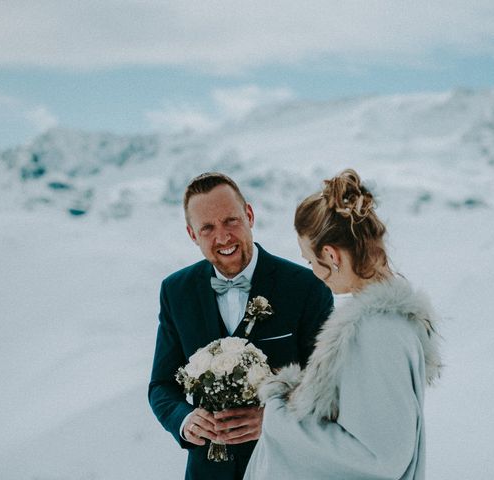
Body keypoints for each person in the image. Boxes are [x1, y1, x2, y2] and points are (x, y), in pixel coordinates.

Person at [244, 169, 443, 480]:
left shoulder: (375, 330)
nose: (312, 271)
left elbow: (382, 458)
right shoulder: (385, 323)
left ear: (330, 254)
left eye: (310, 260)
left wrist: (279, 417)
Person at [148, 172, 333, 480]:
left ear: (249, 215)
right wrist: (185, 419)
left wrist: (274, 420)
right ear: (192, 234)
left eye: (230, 220)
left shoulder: (307, 288)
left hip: (285, 467)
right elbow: (162, 385)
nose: (222, 237)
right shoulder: (175, 291)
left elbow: (328, 387)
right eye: (207, 228)